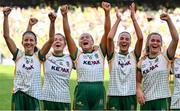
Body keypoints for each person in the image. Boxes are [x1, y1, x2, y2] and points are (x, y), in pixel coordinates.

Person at [3, 7, 56, 110]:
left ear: (35, 43)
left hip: (34, 96)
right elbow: (6, 36)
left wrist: (52, 22)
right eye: (26, 40)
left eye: (31, 40)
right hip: (18, 95)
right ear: (22, 42)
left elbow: (51, 40)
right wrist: (5, 17)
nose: (28, 42)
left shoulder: (38, 57)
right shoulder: (18, 55)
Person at [60, 1, 111, 110]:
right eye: (82, 38)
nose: (84, 38)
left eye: (87, 37)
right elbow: (68, 35)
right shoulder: (77, 54)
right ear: (79, 44)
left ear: (93, 42)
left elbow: (107, 32)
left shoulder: (100, 52)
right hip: (82, 90)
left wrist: (107, 13)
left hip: (98, 89)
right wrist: (64, 16)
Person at [136, 13, 179, 110]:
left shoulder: (166, 57)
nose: (155, 42)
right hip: (146, 101)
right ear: (148, 43)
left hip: (162, 99)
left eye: (158, 41)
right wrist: (138, 90)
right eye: (153, 40)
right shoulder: (142, 61)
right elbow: (138, 82)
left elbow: (175, 39)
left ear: (161, 44)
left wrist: (169, 21)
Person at [106, 3, 143, 110]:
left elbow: (140, 38)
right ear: (117, 42)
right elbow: (109, 38)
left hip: (130, 96)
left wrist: (133, 18)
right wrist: (118, 20)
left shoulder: (134, 55)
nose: (124, 40)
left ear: (130, 42)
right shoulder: (112, 56)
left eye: (127, 39)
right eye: (121, 38)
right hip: (114, 95)